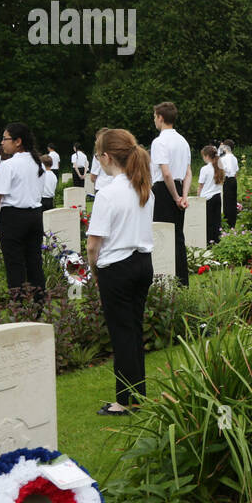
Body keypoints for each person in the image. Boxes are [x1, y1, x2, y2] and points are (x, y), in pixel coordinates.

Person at [86, 128, 155, 415]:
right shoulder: (143, 188)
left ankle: (125, 401)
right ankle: (138, 395)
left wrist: (94, 270)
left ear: (105, 157)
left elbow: (93, 245)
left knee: (122, 334)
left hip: (117, 267)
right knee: (133, 331)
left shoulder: (108, 194)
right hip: (142, 263)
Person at [0, 123, 47, 301]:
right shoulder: (38, 163)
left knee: (14, 264)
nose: (2, 143)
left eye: (5, 138)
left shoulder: (9, 165)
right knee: (34, 262)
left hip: (13, 216)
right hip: (35, 216)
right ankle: (38, 304)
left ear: (18, 142)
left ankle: (19, 307)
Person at [149, 101, 192, 286]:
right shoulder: (183, 141)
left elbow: (166, 173)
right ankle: (182, 281)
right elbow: (188, 172)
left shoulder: (159, 142)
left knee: (161, 235)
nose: (154, 121)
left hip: (164, 190)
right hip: (180, 188)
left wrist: (175, 198)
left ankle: (163, 278)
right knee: (177, 236)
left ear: (160, 118)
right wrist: (184, 196)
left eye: (154, 117)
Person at [197, 145, 225, 245]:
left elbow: (200, 186)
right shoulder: (220, 167)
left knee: (208, 222)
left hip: (207, 198)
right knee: (217, 221)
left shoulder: (204, 169)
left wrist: (198, 198)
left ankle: (209, 242)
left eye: (203, 156)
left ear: (207, 156)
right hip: (217, 196)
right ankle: (217, 241)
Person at [220, 140, 240, 228]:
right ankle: (233, 223)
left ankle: (227, 222)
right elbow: (236, 172)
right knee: (233, 201)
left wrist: (222, 182)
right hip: (233, 180)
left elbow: (223, 171)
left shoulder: (223, 158)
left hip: (227, 180)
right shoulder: (234, 158)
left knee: (226, 201)